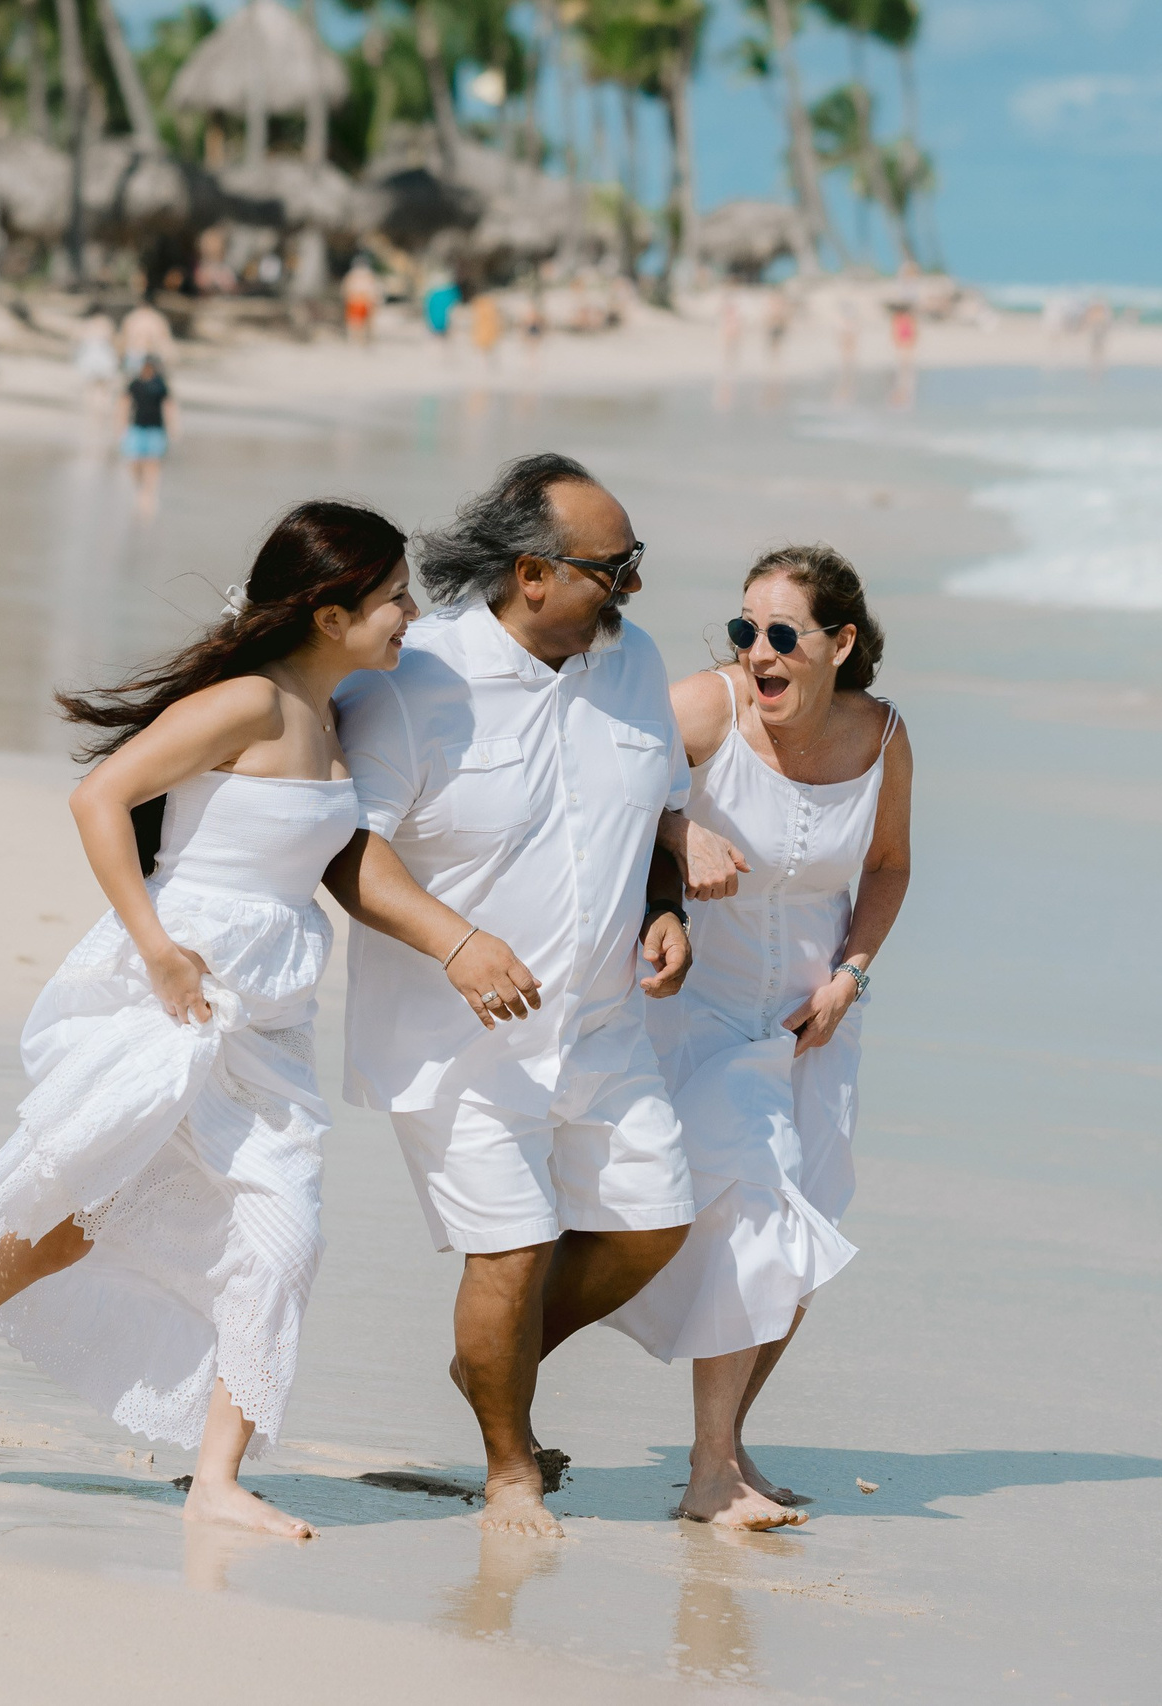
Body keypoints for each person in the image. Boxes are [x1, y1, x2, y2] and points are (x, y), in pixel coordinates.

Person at [0, 501, 422, 1541]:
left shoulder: (339, 711)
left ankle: (216, 1481)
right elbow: (100, 797)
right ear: (331, 615)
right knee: (63, 1215)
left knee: (284, 1235)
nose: (409, 616)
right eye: (394, 600)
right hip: (177, 994)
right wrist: (154, 946)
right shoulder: (249, 700)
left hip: (266, 1016)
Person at [323, 453, 697, 1539]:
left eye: (634, 562)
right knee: (514, 1249)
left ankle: (491, 1360)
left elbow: (656, 813)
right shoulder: (415, 677)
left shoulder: (634, 662)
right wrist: (457, 943)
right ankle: (510, 1471)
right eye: (613, 568)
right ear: (532, 574)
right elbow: (347, 850)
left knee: (652, 1225)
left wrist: (666, 905)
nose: (633, 588)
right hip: (458, 1039)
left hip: (603, 1023)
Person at [602, 544, 906, 1527]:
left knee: (799, 1247)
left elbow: (889, 867)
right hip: (700, 1014)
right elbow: (601, 784)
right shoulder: (705, 709)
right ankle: (707, 1470)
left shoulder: (881, 735)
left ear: (839, 644)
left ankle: (726, 1449)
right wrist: (679, 832)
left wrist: (852, 975)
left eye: (781, 634)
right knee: (753, 1221)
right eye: (744, 630)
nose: (757, 652)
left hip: (812, 1031)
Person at [123, 351, 173, 515]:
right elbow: (124, 403)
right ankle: (139, 489)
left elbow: (168, 405)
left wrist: (172, 427)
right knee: (134, 462)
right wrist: (121, 425)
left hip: (156, 429)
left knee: (153, 463)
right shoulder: (135, 383)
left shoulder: (160, 385)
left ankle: (150, 494)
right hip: (136, 427)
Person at [74, 309, 121, 428]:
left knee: (90, 389)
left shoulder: (87, 323)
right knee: (104, 389)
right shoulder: (106, 323)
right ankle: (102, 415)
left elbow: (78, 338)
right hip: (104, 356)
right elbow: (113, 339)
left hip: (89, 356)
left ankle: (91, 416)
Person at [120, 294, 176, 378]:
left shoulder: (131, 318)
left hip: (136, 356)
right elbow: (165, 343)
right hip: (150, 358)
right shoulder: (158, 319)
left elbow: (123, 341)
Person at [343, 258, 380, 346]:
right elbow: (347, 289)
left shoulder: (368, 276)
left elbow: (373, 290)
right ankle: (357, 339)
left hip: (364, 302)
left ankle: (362, 339)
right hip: (356, 301)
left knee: (363, 323)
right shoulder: (353, 276)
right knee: (355, 323)